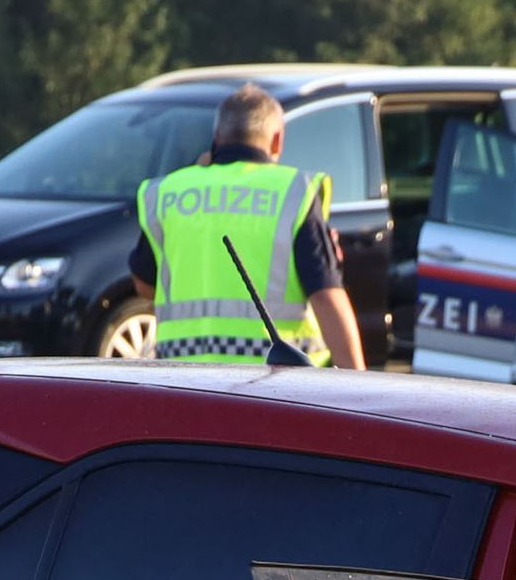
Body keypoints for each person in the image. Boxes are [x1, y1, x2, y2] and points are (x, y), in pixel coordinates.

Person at [128, 83, 365, 368]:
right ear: (277, 140)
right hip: (275, 382)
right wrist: (358, 386)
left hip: (184, 379)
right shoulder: (292, 192)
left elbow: (144, 284)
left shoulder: (169, 192)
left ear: (217, 137)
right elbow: (326, 296)